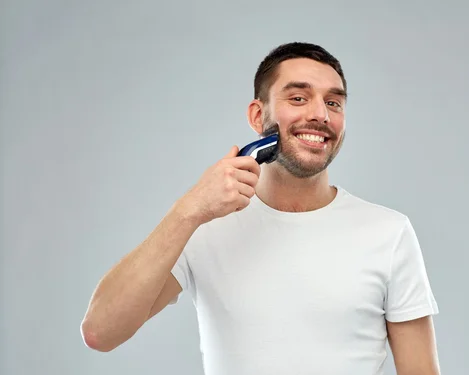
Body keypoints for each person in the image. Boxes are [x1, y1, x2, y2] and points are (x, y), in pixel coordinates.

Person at [80, 42, 441, 375]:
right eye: (298, 98)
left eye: (334, 102)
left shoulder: (388, 233)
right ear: (258, 116)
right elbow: (101, 331)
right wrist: (188, 210)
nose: (320, 114)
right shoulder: (205, 226)